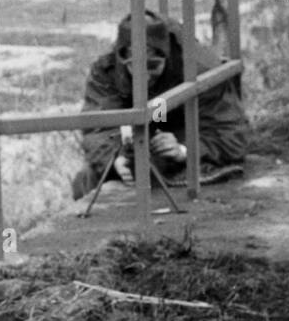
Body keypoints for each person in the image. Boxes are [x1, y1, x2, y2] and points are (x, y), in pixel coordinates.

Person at [69, 10, 250, 199]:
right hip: (138, 141)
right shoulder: (107, 71)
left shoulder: (200, 70)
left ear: (167, 56)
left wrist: (184, 149)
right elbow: (98, 130)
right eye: (135, 67)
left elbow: (232, 135)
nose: (145, 75)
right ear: (123, 59)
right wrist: (116, 160)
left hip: (189, 134)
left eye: (152, 65)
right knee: (85, 180)